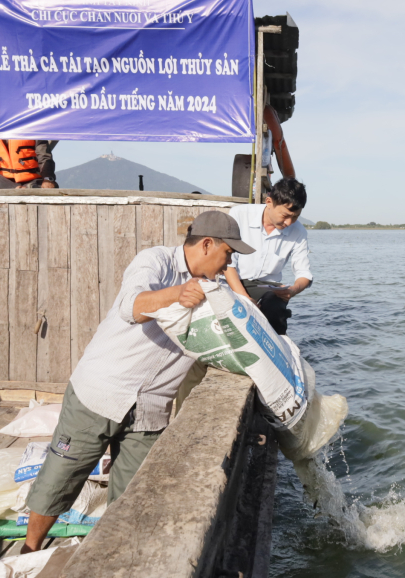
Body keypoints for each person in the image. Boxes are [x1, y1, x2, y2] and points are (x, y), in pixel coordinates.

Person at [19, 210, 255, 553]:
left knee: (135, 496)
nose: (229, 264)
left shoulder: (214, 290)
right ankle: (29, 550)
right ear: (207, 245)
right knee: (60, 478)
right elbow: (132, 307)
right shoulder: (155, 261)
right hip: (101, 393)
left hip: (151, 410)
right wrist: (178, 293)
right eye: (227, 254)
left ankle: (113, 558)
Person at [223, 177, 312, 335]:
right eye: (285, 215)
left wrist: (292, 290)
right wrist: (246, 299)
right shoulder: (239, 214)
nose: (289, 222)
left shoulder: (299, 231)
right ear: (269, 202)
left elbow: (304, 273)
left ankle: (279, 344)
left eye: (295, 217)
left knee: (275, 308)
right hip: (234, 280)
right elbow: (228, 264)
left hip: (268, 286)